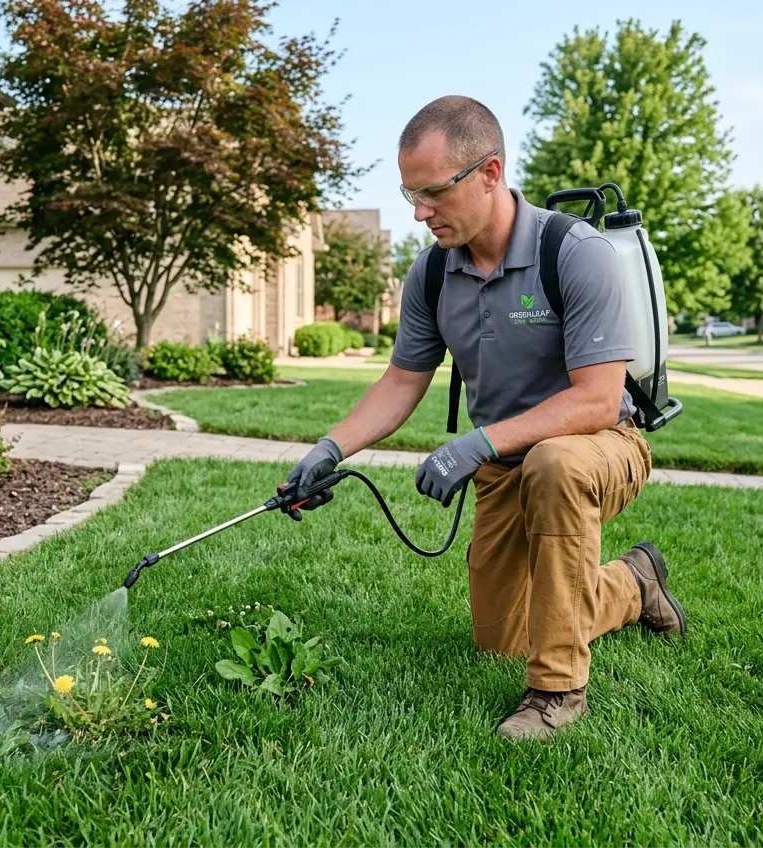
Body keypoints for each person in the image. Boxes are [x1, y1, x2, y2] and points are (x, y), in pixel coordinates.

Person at [285, 95, 687, 742]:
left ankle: (558, 693)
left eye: (433, 193)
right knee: (503, 638)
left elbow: (593, 398)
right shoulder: (433, 273)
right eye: (409, 195)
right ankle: (634, 585)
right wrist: (330, 449)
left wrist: (476, 442)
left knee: (554, 465)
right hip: (503, 466)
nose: (419, 214)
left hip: (598, 444)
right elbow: (400, 383)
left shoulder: (576, 252)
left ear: (490, 173)